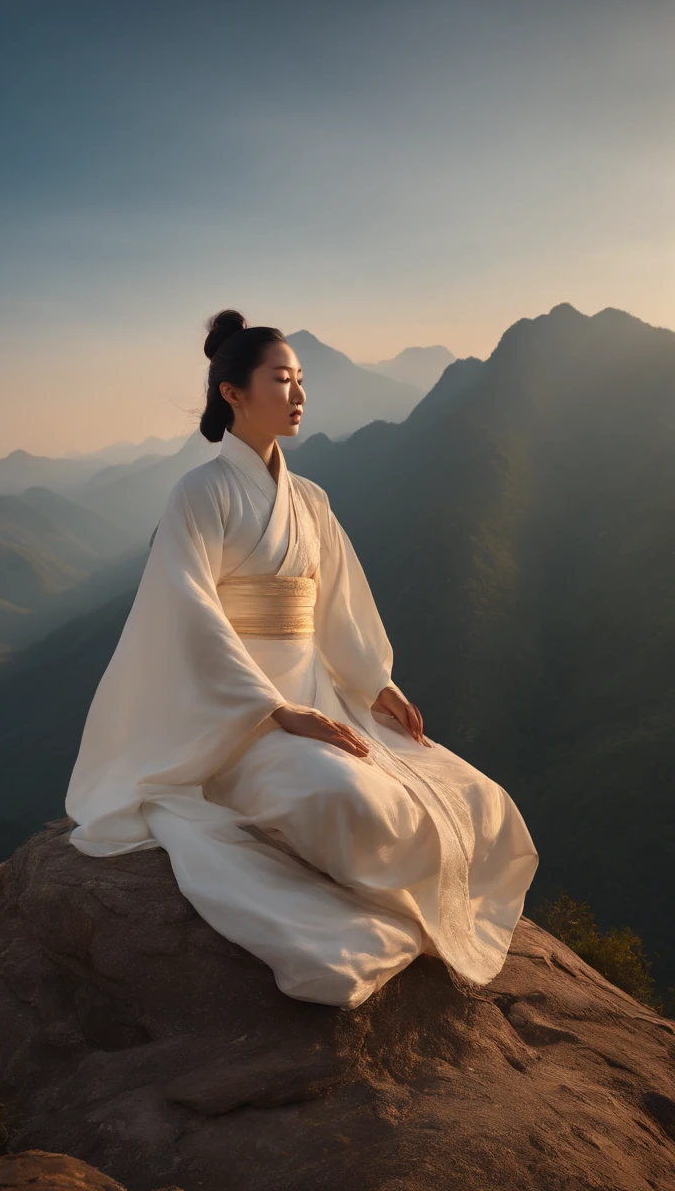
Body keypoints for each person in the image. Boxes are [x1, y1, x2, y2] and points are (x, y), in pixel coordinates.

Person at [64, 309, 539, 1009]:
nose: (298, 395)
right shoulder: (198, 494)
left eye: (301, 381)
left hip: (323, 696)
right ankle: (375, 895)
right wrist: (275, 710)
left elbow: (336, 607)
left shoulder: (310, 501)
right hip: (236, 723)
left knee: (476, 798)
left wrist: (374, 682)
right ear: (233, 393)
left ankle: (415, 883)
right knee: (345, 801)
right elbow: (191, 615)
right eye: (282, 380)